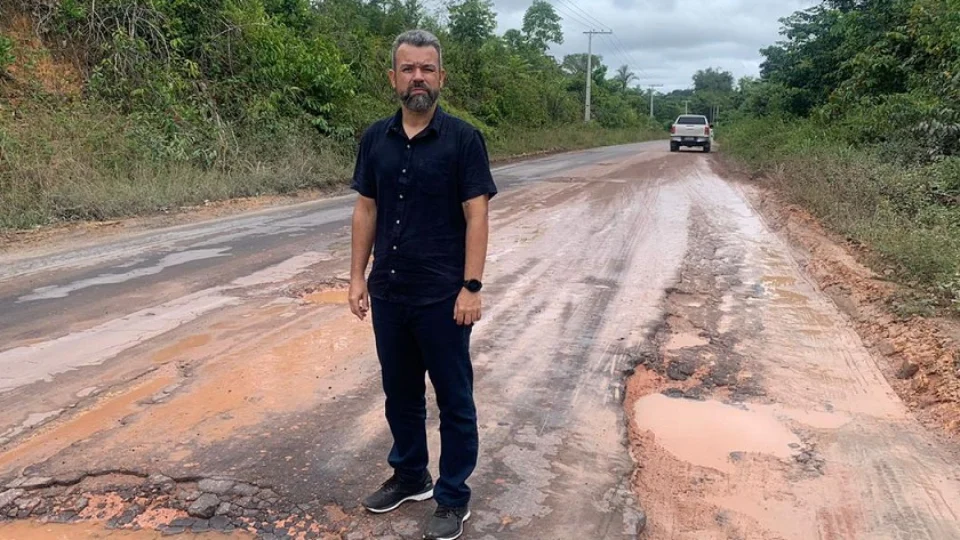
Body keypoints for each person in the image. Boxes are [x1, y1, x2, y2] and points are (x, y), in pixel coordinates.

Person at [348, 28, 497, 540]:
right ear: (393, 78)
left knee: (455, 400)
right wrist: (356, 277)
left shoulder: (463, 140)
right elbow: (365, 208)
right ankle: (411, 475)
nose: (418, 78)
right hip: (389, 292)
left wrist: (471, 287)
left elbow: (476, 216)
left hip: (443, 298)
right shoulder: (375, 139)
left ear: (441, 77)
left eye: (427, 69)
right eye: (408, 69)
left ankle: (453, 496)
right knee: (399, 393)